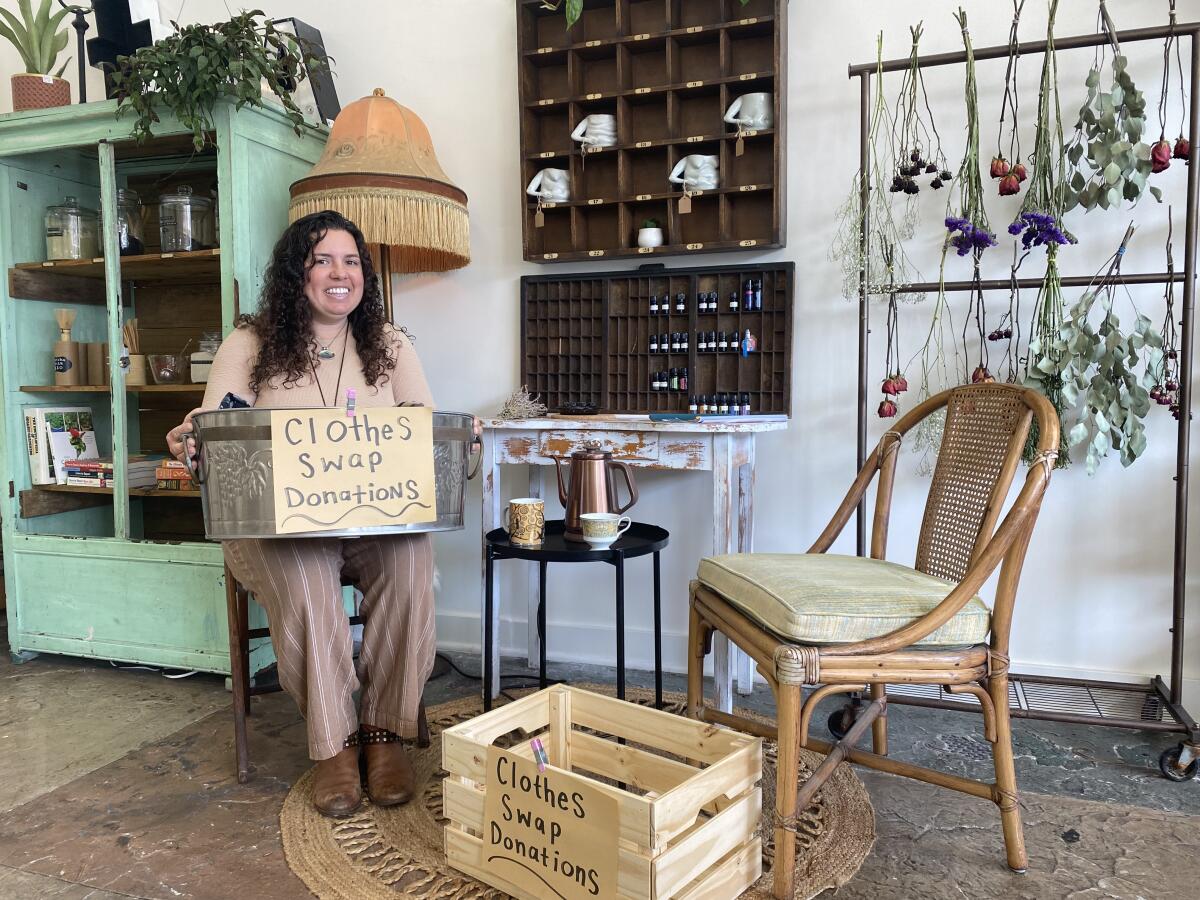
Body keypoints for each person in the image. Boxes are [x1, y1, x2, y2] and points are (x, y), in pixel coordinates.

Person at [167, 210, 442, 818]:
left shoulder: (389, 345)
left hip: (373, 520)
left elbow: (424, 426)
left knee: (412, 557)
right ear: (297, 274)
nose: (339, 274)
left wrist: (459, 433)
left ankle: (382, 730)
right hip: (276, 526)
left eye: (351, 261)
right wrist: (191, 434)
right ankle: (334, 745)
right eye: (322, 260)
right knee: (307, 575)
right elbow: (220, 418)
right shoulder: (251, 344)